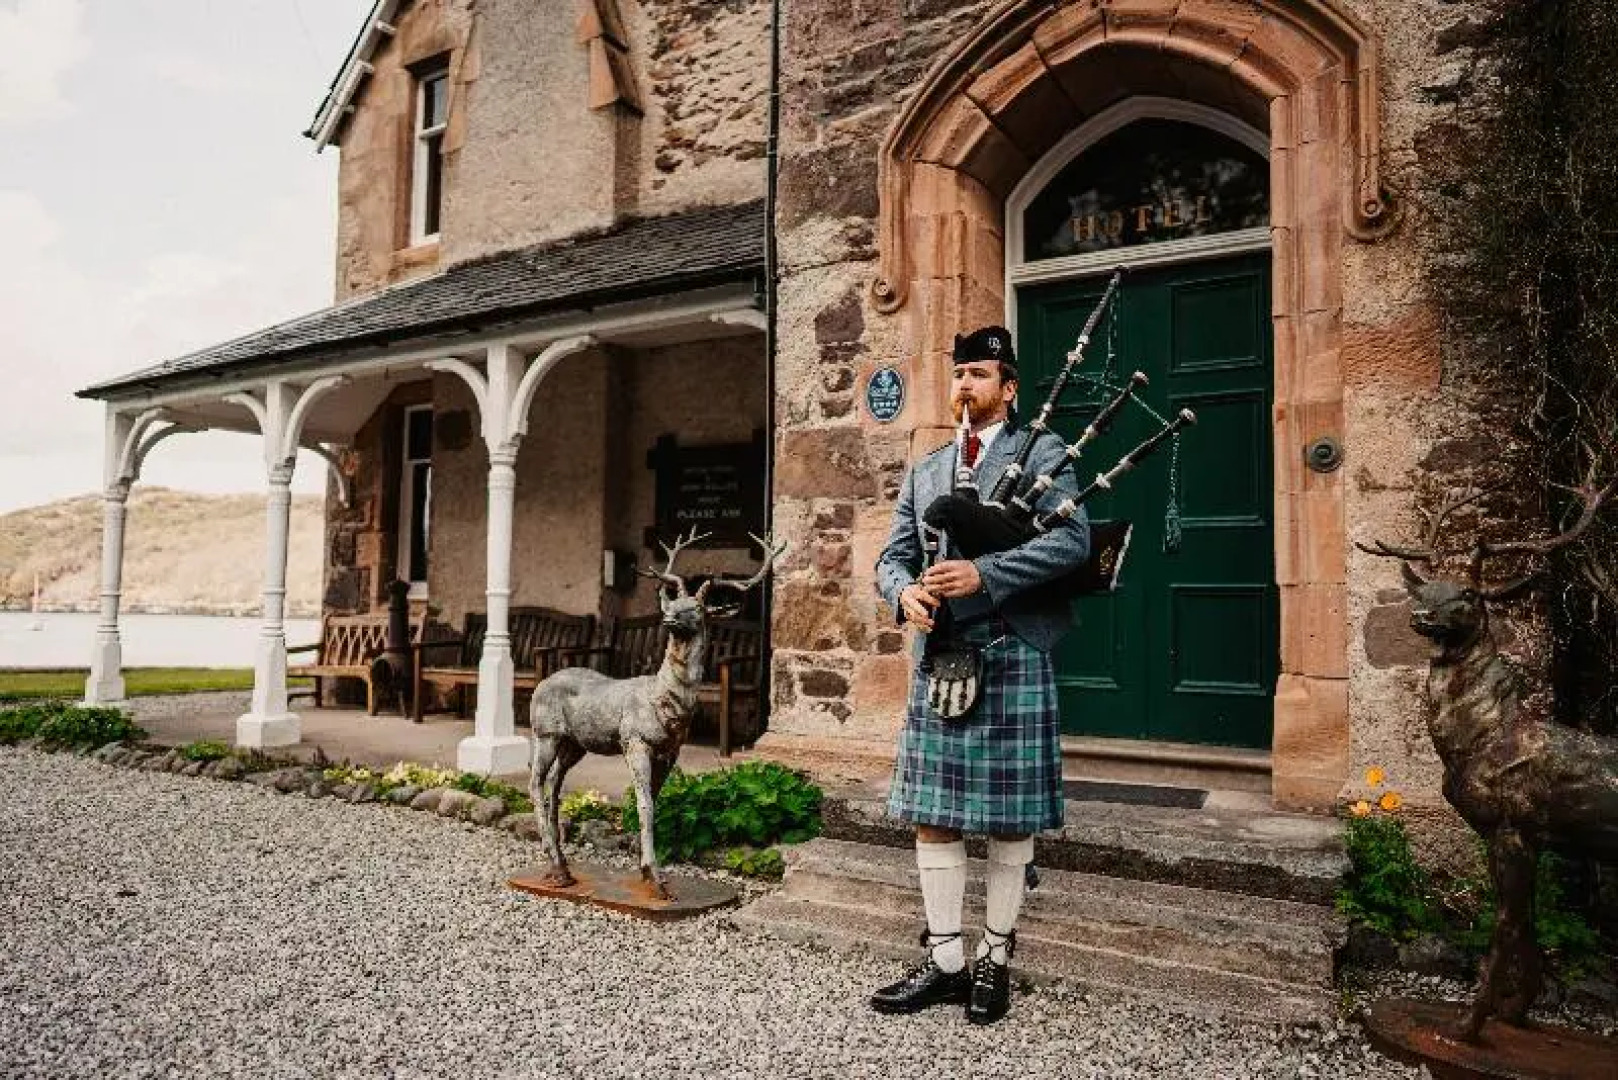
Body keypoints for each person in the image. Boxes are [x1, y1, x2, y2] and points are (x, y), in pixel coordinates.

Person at [870, 325, 1089, 1025]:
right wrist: (902, 592)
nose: (965, 384)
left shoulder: (1043, 452)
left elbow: (1074, 541)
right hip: (944, 658)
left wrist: (983, 572)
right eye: (958, 372)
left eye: (980, 373)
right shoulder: (927, 467)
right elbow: (891, 556)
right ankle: (945, 962)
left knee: (1007, 820)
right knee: (932, 818)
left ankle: (995, 956)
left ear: (1010, 387)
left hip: (1013, 648)